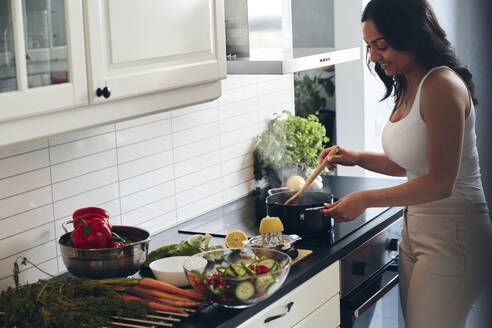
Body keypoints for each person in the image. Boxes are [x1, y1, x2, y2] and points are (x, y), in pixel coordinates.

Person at [318, 0, 492, 327]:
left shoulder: (441, 85)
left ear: (412, 35)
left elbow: (441, 182)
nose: (373, 56)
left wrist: (365, 199)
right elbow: (412, 165)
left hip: (455, 236)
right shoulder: (408, 81)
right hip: (417, 232)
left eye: (381, 46)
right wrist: (356, 158)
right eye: (369, 46)